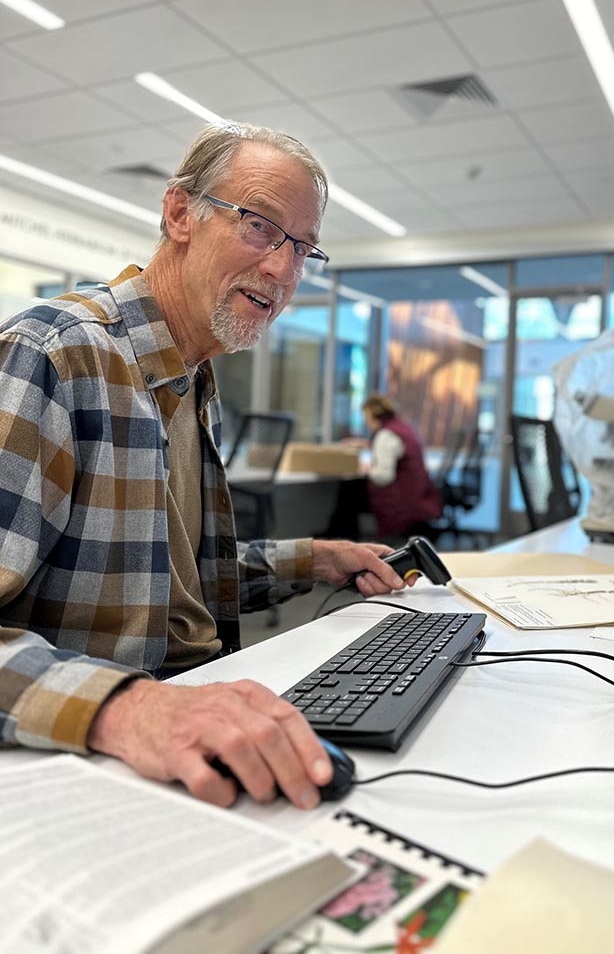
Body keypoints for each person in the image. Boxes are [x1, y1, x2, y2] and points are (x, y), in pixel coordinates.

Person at [0, 122, 410, 811]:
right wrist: (128, 711)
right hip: (94, 757)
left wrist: (313, 559)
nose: (284, 272)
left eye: (302, 247)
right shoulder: (54, 355)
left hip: (193, 711)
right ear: (179, 214)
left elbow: (165, 577)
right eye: (259, 226)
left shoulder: (191, 380)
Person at [361, 393, 443, 546]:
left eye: (366, 417)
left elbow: (384, 475)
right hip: (418, 495)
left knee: (346, 497)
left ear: (373, 415)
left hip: (401, 504)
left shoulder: (385, 435)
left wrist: (366, 469)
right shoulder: (402, 428)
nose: (366, 422)